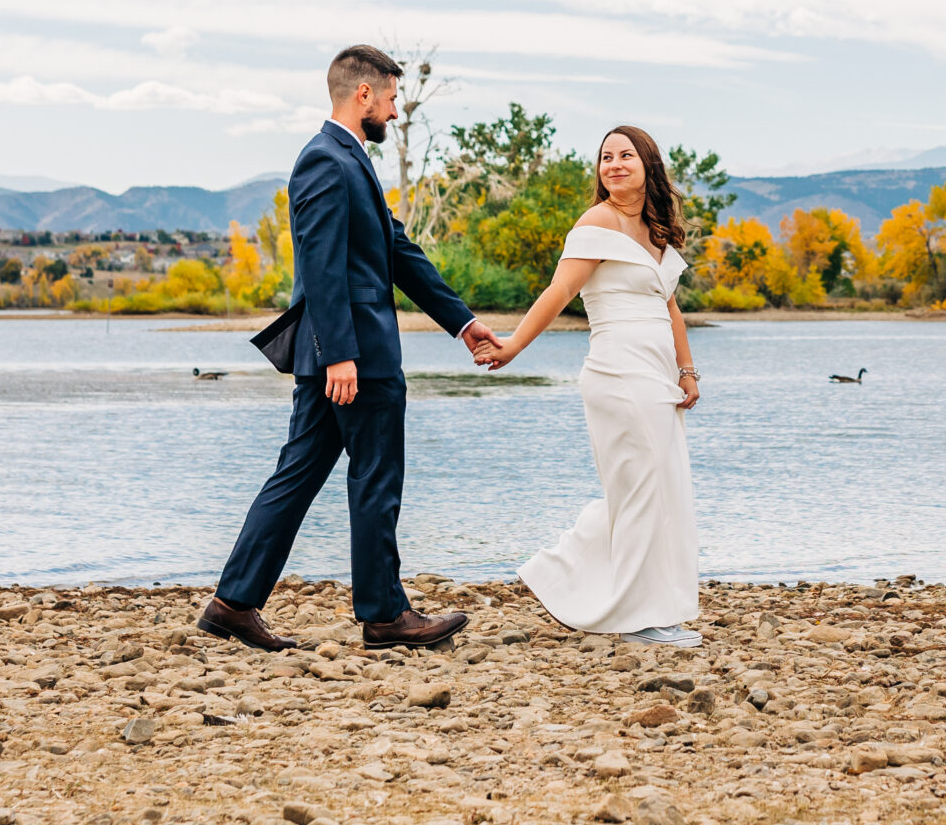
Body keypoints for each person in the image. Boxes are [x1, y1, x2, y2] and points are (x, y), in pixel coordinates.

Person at [201, 44, 503, 653]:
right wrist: (341, 353)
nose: (395, 112)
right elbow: (320, 266)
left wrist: (461, 323)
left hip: (337, 357)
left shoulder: (350, 161)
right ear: (363, 94)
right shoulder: (324, 161)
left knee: (297, 475)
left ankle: (233, 603)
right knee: (375, 476)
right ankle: (385, 615)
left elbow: (396, 249)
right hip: (353, 358)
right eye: (391, 99)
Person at [482, 124, 703, 647]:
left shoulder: (656, 231)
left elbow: (669, 305)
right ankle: (634, 616)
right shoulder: (596, 222)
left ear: (648, 165)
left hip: (655, 374)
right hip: (617, 371)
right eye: (606, 157)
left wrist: (687, 370)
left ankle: (565, 575)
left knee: (652, 488)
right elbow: (559, 291)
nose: (615, 164)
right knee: (642, 488)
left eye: (626, 155)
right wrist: (513, 346)